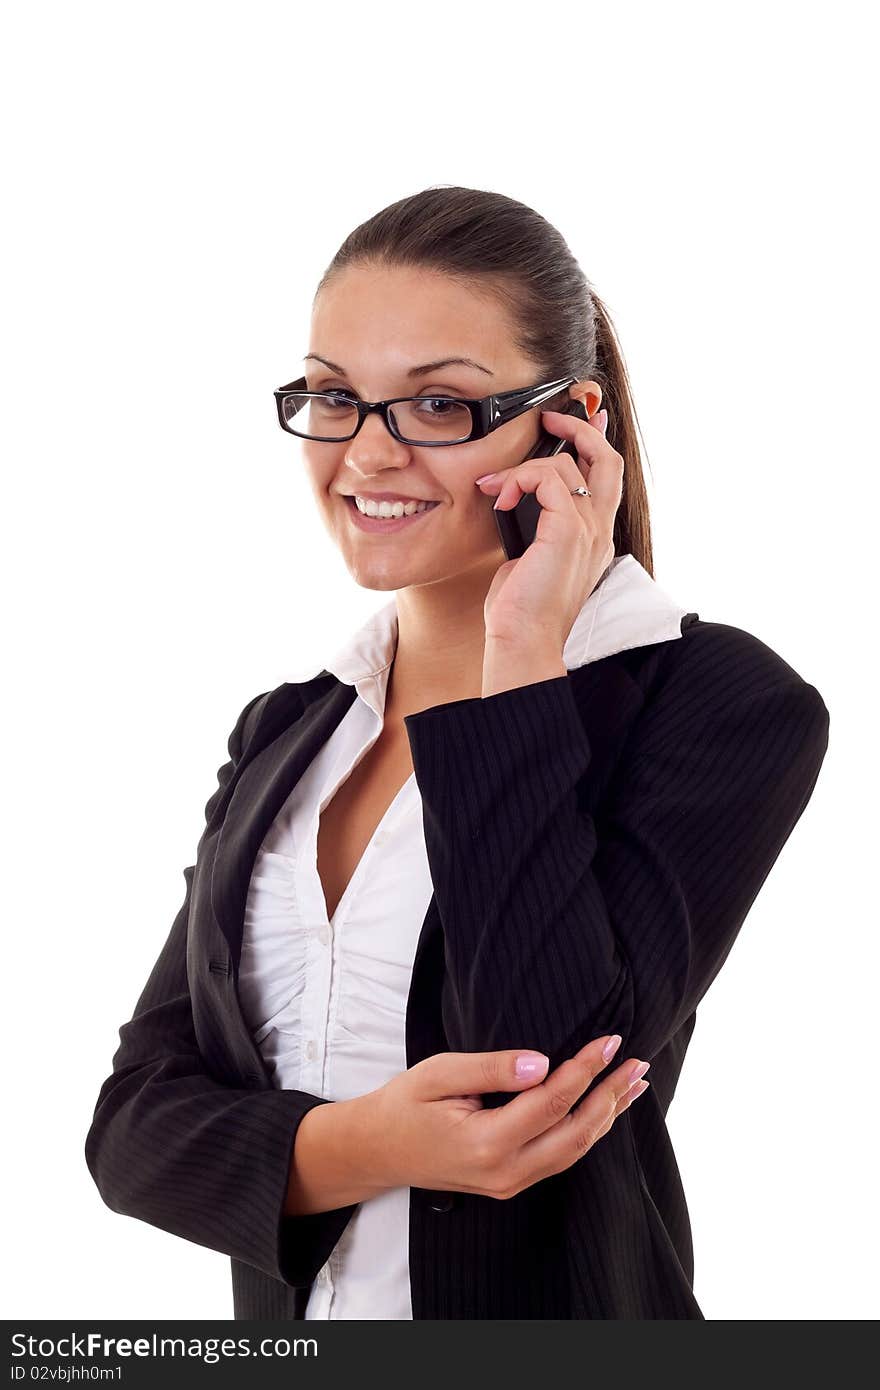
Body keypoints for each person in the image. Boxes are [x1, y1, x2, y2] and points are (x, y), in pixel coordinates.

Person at [85, 185, 830, 1320]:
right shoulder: (289, 729)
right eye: (335, 396)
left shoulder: (718, 700)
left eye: (437, 403)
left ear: (569, 420)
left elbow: (543, 1059)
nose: (366, 454)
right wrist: (366, 1144)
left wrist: (521, 648)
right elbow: (132, 1130)